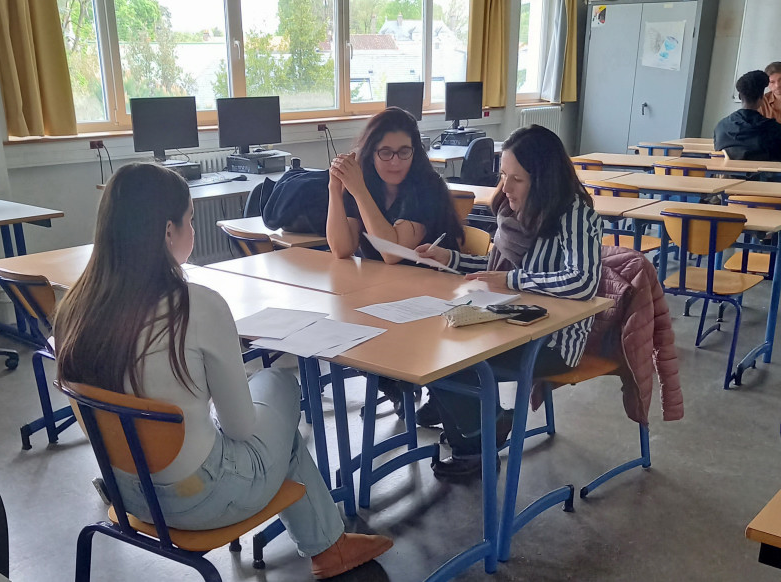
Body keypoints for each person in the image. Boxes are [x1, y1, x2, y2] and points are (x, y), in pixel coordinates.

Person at [53, 163, 392, 579]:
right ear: (167, 232)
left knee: (265, 424)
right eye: (191, 220)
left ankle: (330, 545)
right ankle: (329, 546)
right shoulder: (195, 304)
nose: (193, 231)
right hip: (202, 499)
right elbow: (242, 428)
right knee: (278, 384)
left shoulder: (75, 308)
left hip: (126, 493)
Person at [416, 125, 603, 480]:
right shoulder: (515, 211)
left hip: (553, 339)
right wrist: (450, 260)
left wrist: (513, 281)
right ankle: (482, 427)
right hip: (507, 320)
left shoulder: (574, 212)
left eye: (517, 178)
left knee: (451, 357)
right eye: (503, 175)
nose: (506, 187)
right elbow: (496, 272)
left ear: (543, 179)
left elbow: (582, 281)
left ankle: (475, 439)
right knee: (430, 343)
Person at [327, 106, 464, 425]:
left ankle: (415, 385)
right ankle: (400, 385)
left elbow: (391, 251)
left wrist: (358, 190)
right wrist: (335, 190)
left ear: (415, 152)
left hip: (434, 296)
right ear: (371, 153)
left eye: (404, 152)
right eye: (385, 153)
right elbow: (341, 247)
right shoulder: (365, 186)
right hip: (385, 293)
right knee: (342, 330)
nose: (395, 162)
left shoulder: (425, 187)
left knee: (365, 332)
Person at [714, 70, 781, 161]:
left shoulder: (722, 126)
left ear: (740, 97)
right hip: (764, 175)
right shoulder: (773, 129)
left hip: (729, 174)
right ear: (761, 98)